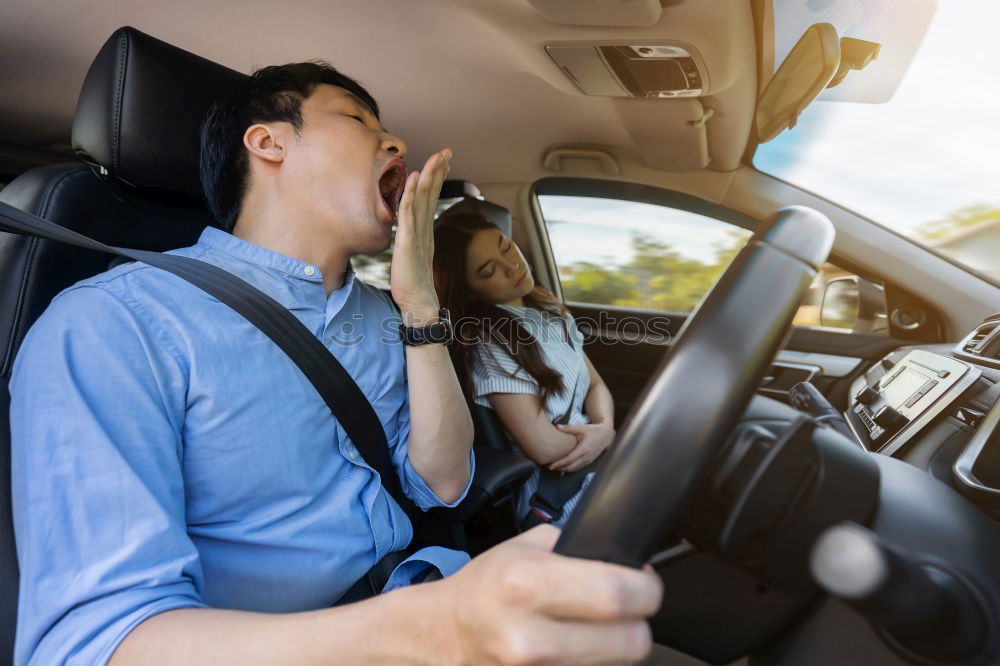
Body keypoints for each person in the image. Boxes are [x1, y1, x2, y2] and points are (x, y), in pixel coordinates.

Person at [10, 62, 662, 664]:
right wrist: (436, 629)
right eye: (358, 120)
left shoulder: (390, 315)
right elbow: (93, 645)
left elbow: (443, 486)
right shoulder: (114, 325)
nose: (395, 143)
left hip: (424, 588)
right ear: (268, 143)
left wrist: (420, 312)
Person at [433, 214, 616, 528]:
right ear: (471, 291)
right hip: (557, 489)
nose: (511, 266)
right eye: (488, 271)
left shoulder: (546, 308)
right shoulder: (488, 345)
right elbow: (543, 448)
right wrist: (599, 441)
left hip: (593, 457)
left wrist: (605, 427)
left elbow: (595, 384)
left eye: (506, 248)